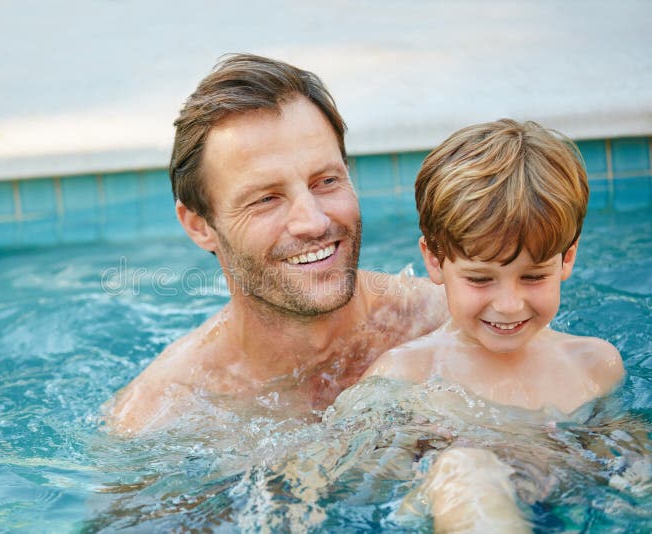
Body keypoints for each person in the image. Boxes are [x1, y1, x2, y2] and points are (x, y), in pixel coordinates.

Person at [104, 54, 447, 434]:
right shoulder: (164, 415)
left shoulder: (449, 322)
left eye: (326, 181)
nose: (313, 222)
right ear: (200, 225)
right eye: (267, 199)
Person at [360, 118, 627, 531]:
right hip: (463, 509)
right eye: (480, 279)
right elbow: (368, 487)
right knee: (465, 469)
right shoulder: (406, 374)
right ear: (435, 260)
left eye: (534, 276)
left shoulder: (594, 365)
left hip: (567, 503)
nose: (508, 304)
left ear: (567, 259)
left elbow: (624, 470)